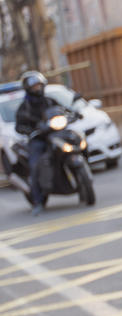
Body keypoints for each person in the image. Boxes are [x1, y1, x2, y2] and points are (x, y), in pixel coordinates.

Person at [15, 71, 58, 216]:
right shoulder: (25, 107)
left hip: (54, 135)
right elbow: (18, 125)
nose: (38, 89)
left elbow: (62, 111)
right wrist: (28, 130)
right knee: (34, 166)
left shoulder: (50, 101)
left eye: (39, 85)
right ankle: (38, 202)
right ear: (28, 89)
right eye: (34, 87)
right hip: (37, 139)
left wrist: (74, 113)